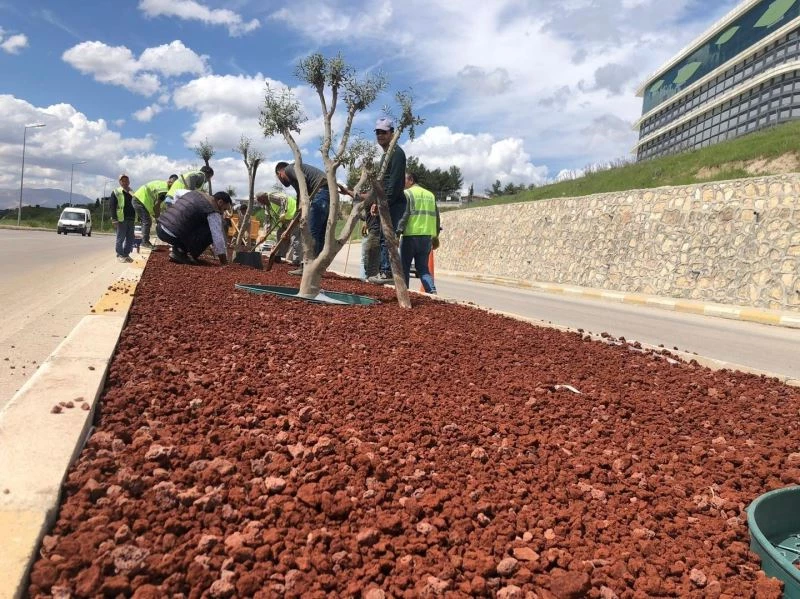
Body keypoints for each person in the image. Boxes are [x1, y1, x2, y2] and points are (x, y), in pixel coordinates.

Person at [275, 161, 329, 275]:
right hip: (327, 193)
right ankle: (316, 268)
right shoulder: (298, 172)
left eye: (279, 178)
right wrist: (300, 208)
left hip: (319, 193)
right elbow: (301, 193)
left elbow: (302, 180)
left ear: (280, 172)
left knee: (311, 233)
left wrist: (303, 204)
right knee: (319, 234)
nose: (281, 181)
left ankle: (307, 267)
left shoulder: (290, 168)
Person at [371, 117, 406, 284]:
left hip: (393, 203)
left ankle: (387, 272)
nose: (380, 135)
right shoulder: (386, 155)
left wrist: (384, 204)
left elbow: (394, 183)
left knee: (387, 237)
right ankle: (385, 270)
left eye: (384, 132)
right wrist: (375, 202)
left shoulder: (396, 153)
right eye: (378, 132)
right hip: (385, 202)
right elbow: (382, 182)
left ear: (392, 133)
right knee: (384, 237)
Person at [155, 190, 232, 266]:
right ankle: (186, 254)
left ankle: (179, 250)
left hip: (160, 228)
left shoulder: (194, 193)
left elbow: (177, 192)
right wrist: (224, 262)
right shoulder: (213, 210)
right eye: (224, 209)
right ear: (220, 202)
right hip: (173, 234)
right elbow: (217, 238)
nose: (223, 213)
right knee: (211, 231)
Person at [397, 171, 440, 293]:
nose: (402, 183)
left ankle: (404, 293)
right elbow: (437, 216)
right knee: (423, 268)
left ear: (410, 180)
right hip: (426, 237)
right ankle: (432, 291)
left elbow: (404, 215)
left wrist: (398, 232)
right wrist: (436, 235)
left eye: (403, 180)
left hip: (410, 236)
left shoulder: (407, 193)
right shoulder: (430, 195)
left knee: (404, 268)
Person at [132, 175, 177, 248]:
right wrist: (158, 219)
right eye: (172, 184)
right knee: (147, 221)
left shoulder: (162, 186)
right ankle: (145, 242)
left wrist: (156, 216)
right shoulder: (164, 190)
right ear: (169, 181)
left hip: (141, 200)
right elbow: (157, 206)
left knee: (147, 221)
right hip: (140, 200)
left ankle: (145, 241)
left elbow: (155, 206)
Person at [255, 192, 297, 263]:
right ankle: (278, 256)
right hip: (285, 221)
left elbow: (283, 199)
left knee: (294, 236)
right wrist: (265, 234)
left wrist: (283, 212)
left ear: (263, 198)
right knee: (280, 233)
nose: (261, 203)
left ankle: (296, 260)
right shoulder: (267, 206)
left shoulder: (271, 196)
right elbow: (267, 221)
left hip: (294, 215)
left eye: (260, 201)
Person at [110, 174, 136, 263]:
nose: (125, 182)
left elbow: (136, 204)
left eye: (126, 180)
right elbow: (112, 206)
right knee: (120, 238)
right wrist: (114, 218)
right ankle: (120, 254)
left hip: (131, 218)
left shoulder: (132, 192)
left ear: (129, 182)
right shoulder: (116, 192)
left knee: (130, 238)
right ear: (120, 182)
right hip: (121, 219)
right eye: (123, 180)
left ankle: (126, 255)